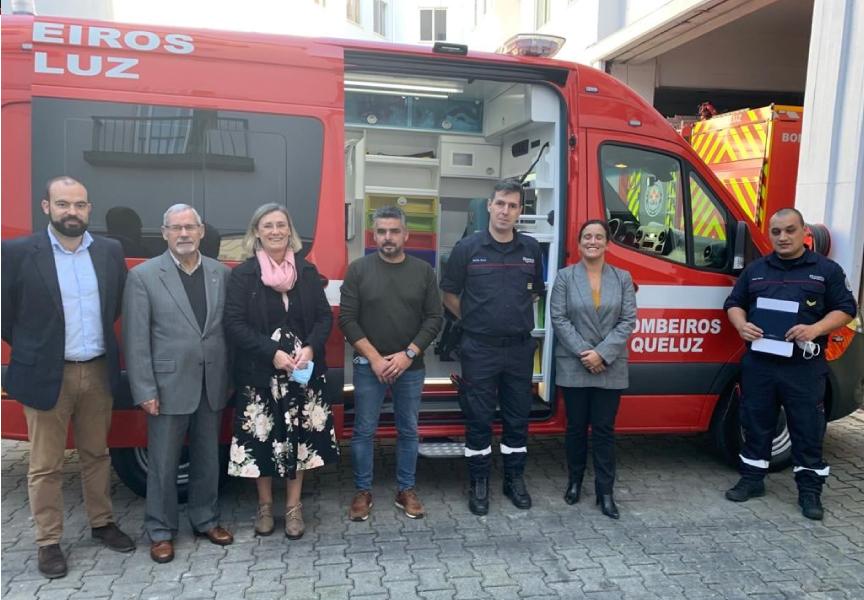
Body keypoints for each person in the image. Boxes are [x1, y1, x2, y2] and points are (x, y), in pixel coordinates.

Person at [1, 176, 134, 579]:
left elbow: (114, 306)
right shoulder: (18, 252)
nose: (71, 212)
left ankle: (101, 523)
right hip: (46, 373)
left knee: (98, 454)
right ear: (46, 207)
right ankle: (48, 541)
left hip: (95, 369)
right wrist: (34, 347)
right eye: (62, 204)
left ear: (89, 209)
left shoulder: (110, 252)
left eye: (79, 205)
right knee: (46, 465)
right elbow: (6, 315)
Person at [723, 208, 857, 520]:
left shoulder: (826, 270)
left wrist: (816, 329)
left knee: (807, 429)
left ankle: (809, 492)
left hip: (803, 367)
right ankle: (752, 480)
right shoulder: (756, 270)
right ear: (769, 234)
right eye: (776, 232)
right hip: (760, 364)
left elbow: (846, 309)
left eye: (790, 230)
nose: (783, 237)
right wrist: (740, 324)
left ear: (803, 232)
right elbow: (733, 304)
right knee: (755, 423)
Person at [122, 204, 234, 564]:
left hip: (212, 383)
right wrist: (144, 390)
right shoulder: (143, 276)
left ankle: (205, 519)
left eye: (190, 227)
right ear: (164, 232)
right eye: (176, 228)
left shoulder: (221, 273)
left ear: (202, 231)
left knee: (207, 460)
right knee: (163, 464)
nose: (184, 234)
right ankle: (160, 531)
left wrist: (229, 381)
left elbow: (226, 333)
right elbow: (136, 340)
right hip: (167, 385)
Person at [223, 203, 338, 539]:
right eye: (267, 225)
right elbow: (234, 324)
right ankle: (263, 506)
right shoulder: (243, 275)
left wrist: (311, 348)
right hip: (260, 374)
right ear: (256, 232)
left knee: (298, 441)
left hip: (301, 374)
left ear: (290, 231)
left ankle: (293, 507)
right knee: (262, 438)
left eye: (281, 225)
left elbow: (323, 318)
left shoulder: (307, 271)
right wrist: (271, 352)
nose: (275, 231)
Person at [441, 178, 545, 515]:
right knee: (479, 419)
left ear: (520, 211)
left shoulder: (530, 250)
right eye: (500, 203)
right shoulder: (467, 249)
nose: (505, 211)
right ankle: (480, 482)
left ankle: (514, 479)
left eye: (513, 205)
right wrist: (474, 321)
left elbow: (533, 292)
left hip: (518, 349)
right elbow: (449, 294)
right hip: (479, 349)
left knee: (518, 418)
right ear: (489, 205)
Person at [339, 206, 443, 521]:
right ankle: (362, 491)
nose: (387, 237)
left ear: (406, 235)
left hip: (409, 367)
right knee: (363, 430)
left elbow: (434, 318)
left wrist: (407, 354)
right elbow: (346, 319)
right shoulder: (358, 270)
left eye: (394, 231)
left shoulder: (423, 271)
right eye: (381, 231)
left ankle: (406, 490)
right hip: (368, 367)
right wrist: (374, 359)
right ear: (374, 234)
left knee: (408, 430)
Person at [549, 220, 637, 519]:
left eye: (599, 237)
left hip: (609, 366)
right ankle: (574, 482)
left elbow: (628, 321)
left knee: (603, 430)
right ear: (578, 243)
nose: (593, 241)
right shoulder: (564, 277)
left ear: (607, 243)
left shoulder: (623, 278)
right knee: (575, 429)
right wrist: (585, 353)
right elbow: (559, 319)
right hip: (575, 364)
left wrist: (601, 354)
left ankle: (605, 491)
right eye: (587, 236)